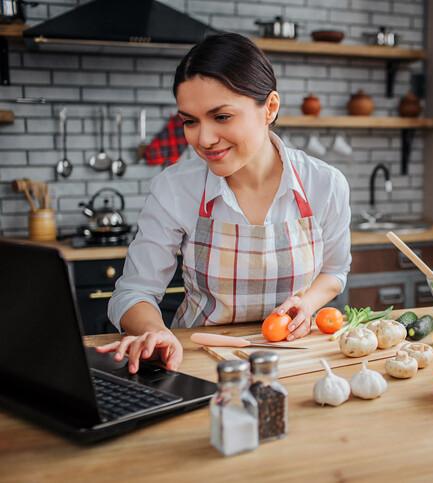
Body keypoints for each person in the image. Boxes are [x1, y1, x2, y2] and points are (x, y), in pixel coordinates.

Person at [97, 33, 351, 374]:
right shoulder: (175, 188)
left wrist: (306, 304)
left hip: (296, 357)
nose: (203, 139)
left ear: (270, 108)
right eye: (190, 121)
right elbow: (133, 292)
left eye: (221, 117)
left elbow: (334, 271)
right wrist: (155, 332)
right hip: (197, 361)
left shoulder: (325, 183)